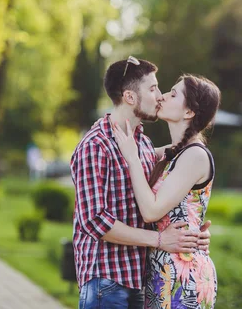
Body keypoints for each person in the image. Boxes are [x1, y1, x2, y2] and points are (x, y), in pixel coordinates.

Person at [71, 57, 211, 309]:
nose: (159, 96)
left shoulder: (142, 144)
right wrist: (159, 240)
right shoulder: (95, 145)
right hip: (107, 281)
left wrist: (193, 230)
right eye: (153, 88)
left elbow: (185, 161)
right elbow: (95, 221)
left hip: (140, 279)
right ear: (130, 97)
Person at [113, 74, 221, 309]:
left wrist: (131, 157)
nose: (162, 96)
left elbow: (151, 211)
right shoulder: (174, 153)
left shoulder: (194, 155)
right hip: (163, 269)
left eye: (173, 94)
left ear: (189, 112)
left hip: (183, 274)